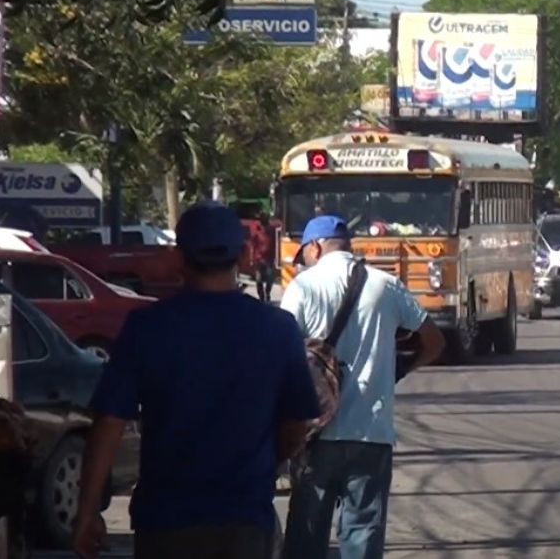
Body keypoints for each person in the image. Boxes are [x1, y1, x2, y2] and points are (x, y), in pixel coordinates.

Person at [72, 201, 321, 559]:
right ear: (243, 255)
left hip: (165, 522)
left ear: (179, 257)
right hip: (244, 519)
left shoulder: (147, 328)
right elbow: (298, 421)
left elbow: (109, 422)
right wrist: (265, 461)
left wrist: (87, 511)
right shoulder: (277, 329)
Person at [280, 214, 445, 559]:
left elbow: (282, 356)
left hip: (316, 434)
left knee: (306, 536)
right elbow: (433, 340)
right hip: (372, 433)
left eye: (303, 254)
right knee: (363, 537)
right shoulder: (386, 284)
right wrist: (402, 367)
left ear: (314, 246)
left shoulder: (303, 287)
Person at [253, 213, 277, 303]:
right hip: (259, 259)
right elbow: (253, 245)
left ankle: (267, 294)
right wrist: (252, 259)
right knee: (259, 279)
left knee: (269, 279)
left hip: (269, 259)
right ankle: (262, 297)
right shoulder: (258, 231)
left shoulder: (272, 230)